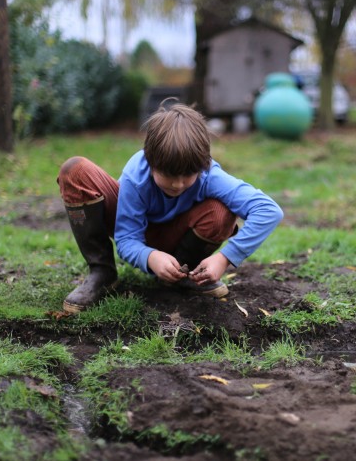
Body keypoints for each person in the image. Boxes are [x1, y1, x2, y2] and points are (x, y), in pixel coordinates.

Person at [57, 101, 284, 313]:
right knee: (75, 170)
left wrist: (225, 258)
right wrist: (150, 257)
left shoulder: (209, 175)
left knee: (221, 213)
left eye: (188, 175)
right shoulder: (136, 176)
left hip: (178, 236)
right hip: (138, 232)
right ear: (151, 161)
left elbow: (268, 210)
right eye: (168, 175)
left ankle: (184, 273)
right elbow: (126, 239)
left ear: (202, 164)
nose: (178, 184)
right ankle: (102, 273)